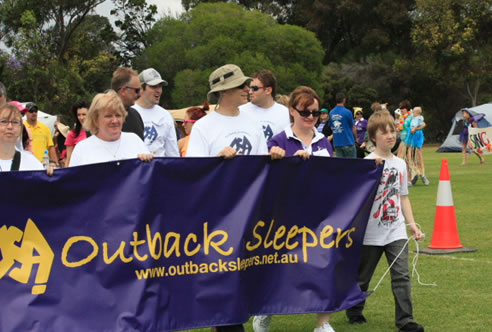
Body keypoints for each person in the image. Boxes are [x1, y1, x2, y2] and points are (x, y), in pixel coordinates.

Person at [255, 86, 334, 332]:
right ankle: (265, 310)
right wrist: (280, 160)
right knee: (278, 269)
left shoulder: (323, 141)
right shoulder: (278, 140)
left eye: (316, 112)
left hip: (318, 216)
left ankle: (323, 323)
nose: (311, 117)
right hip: (284, 218)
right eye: (305, 112)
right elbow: (265, 178)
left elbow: (335, 175)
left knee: (324, 266)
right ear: (292, 111)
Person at [346, 111, 424, 332]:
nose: (390, 136)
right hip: (370, 232)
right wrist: (371, 170)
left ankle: (405, 320)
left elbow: (403, 196)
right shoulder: (366, 164)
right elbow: (355, 197)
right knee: (363, 277)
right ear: (373, 138)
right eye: (384, 132)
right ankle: (354, 310)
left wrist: (412, 224)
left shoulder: (400, 164)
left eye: (393, 131)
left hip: (396, 230)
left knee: (401, 276)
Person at [187, 64, 268, 159]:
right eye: (241, 85)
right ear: (223, 91)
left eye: (246, 85)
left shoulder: (254, 122)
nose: (247, 89)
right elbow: (195, 169)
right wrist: (218, 159)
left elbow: (262, 164)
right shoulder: (202, 127)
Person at [69, 90, 153, 167]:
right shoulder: (82, 149)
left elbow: (148, 176)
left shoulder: (134, 140)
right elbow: (73, 181)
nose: (115, 120)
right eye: (108, 116)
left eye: (118, 115)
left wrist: (148, 161)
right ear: (95, 119)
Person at [133, 68, 179, 157]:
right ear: (141, 88)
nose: (158, 90)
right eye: (153, 86)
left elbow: (172, 153)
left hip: (159, 169)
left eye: (160, 86)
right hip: (135, 169)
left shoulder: (165, 116)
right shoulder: (127, 113)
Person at [239, 69, 290, 142]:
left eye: (254, 88)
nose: (250, 92)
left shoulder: (286, 114)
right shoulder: (240, 111)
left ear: (268, 90)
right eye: (250, 88)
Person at [0, 103, 44, 171]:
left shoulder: (32, 164)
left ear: (21, 128)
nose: (10, 126)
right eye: (4, 121)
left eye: (15, 122)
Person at [111, 67, 145, 140]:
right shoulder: (99, 115)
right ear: (123, 91)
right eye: (137, 90)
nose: (140, 94)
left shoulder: (135, 115)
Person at [403, 106, 427, 186]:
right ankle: (413, 177)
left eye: (403, 108)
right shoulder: (408, 118)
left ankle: (419, 175)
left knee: (414, 158)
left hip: (413, 140)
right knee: (407, 159)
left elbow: (423, 124)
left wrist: (416, 129)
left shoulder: (417, 118)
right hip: (407, 140)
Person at [329, 92, 357, 157]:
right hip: (348, 142)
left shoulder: (331, 112)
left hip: (337, 143)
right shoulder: (348, 112)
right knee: (352, 165)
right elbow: (353, 127)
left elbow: (331, 127)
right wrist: (356, 138)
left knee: (341, 165)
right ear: (344, 100)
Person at [65, 100, 90, 167]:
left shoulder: (98, 132)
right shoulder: (72, 134)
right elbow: (68, 159)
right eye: (79, 115)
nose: (81, 117)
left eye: (84, 114)